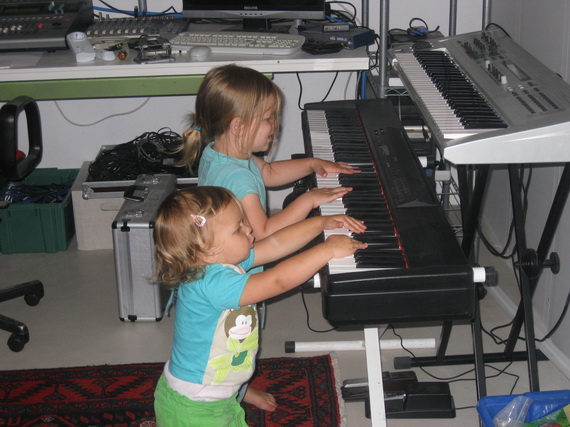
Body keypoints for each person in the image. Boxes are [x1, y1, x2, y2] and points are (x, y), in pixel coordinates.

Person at [153, 186, 367, 427]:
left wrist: (320, 224)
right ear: (205, 249)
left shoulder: (217, 260)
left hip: (210, 390)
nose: (249, 229)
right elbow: (278, 280)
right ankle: (236, 390)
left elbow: (275, 244)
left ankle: (239, 390)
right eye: (238, 229)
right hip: (195, 407)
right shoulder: (212, 285)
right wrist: (326, 250)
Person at [177, 63, 359, 240]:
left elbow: (268, 172)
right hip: (238, 265)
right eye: (268, 118)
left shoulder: (218, 152)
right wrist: (308, 200)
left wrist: (312, 164)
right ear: (238, 126)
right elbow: (263, 232)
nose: (275, 124)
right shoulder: (237, 177)